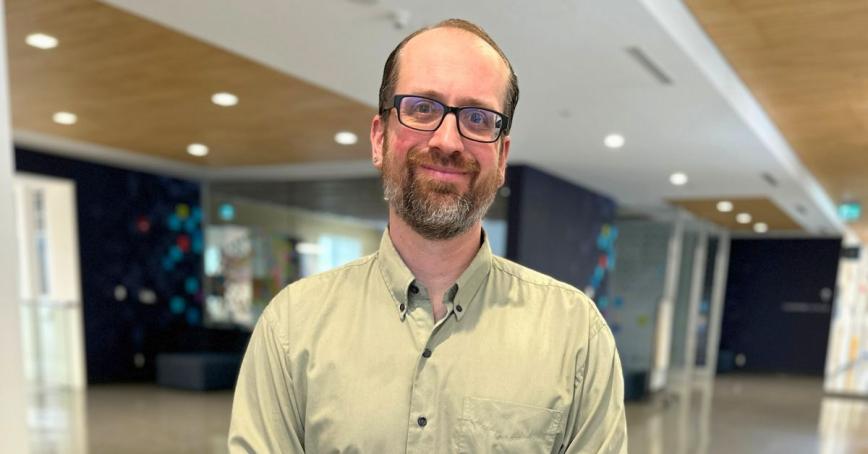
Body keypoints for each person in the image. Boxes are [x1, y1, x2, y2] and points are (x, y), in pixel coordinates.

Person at [229, 18, 627, 453]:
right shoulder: (292, 326)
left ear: (502, 156)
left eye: (478, 118)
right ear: (379, 139)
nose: (448, 140)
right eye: (422, 108)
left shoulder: (575, 335)